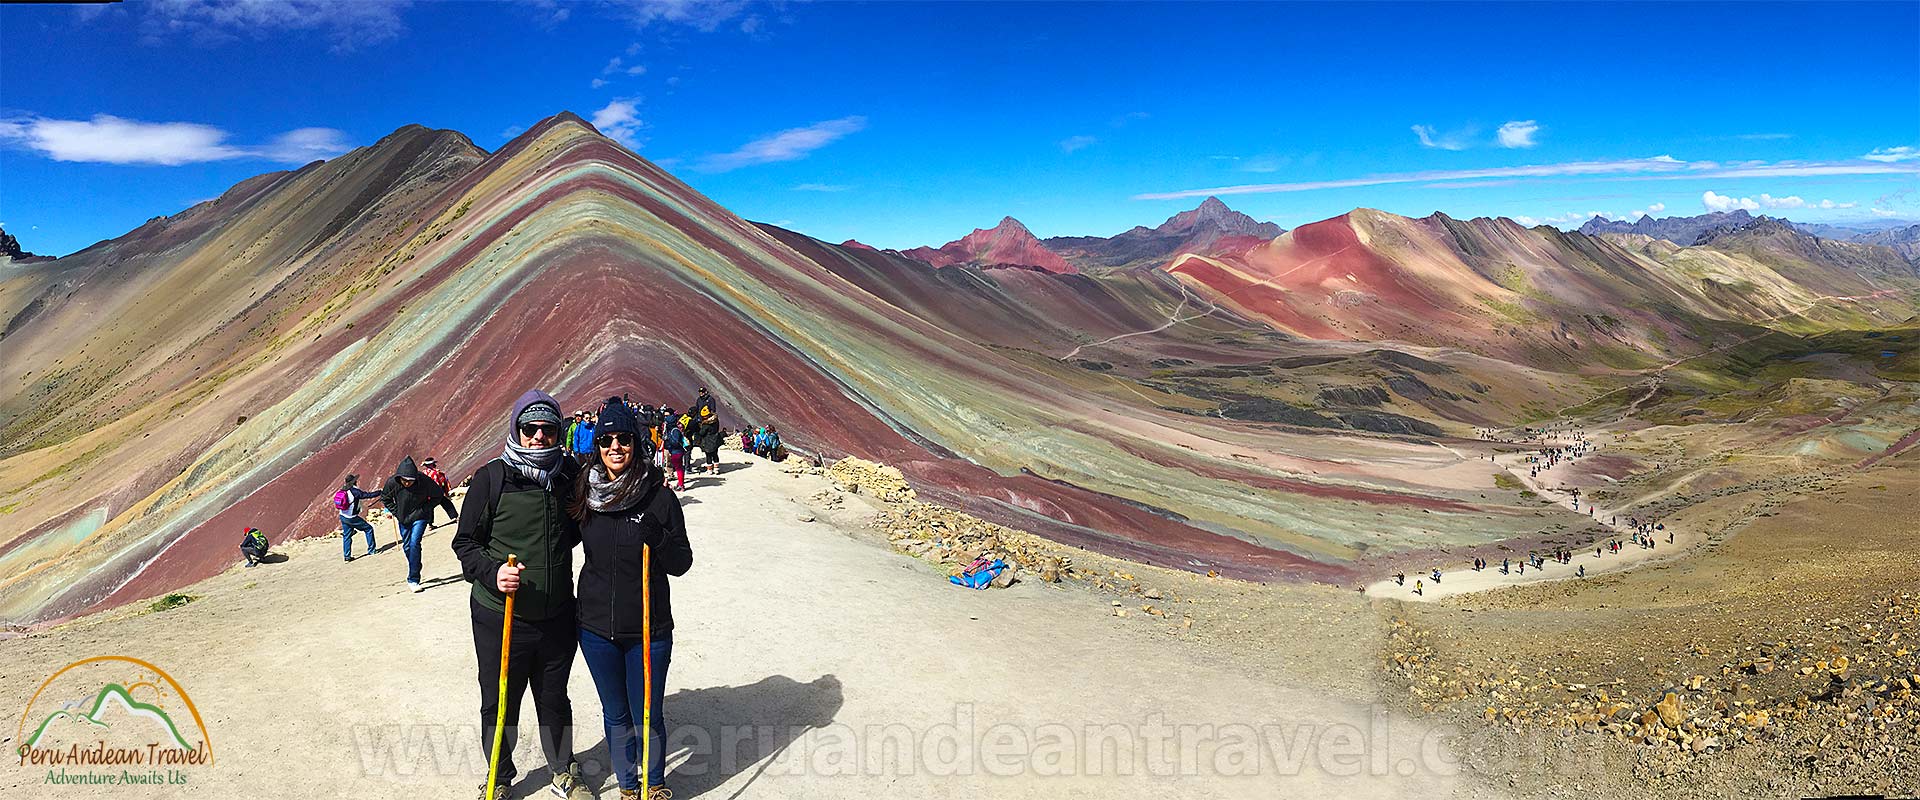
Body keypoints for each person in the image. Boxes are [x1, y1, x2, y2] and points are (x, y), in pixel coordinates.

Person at [450, 390, 592, 800]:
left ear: (559, 432)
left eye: (548, 429)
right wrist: (493, 573)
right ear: (516, 429)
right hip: (500, 614)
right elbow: (464, 543)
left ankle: (563, 771)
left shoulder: (569, 477)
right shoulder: (491, 478)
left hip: (557, 614)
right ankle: (499, 776)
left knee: (553, 698)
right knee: (499, 701)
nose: (538, 437)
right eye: (529, 429)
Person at [572, 400, 692, 800]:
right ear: (598, 445)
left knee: (648, 713)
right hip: (595, 630)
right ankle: (628, 786)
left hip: (649, 628)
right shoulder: (586, 495)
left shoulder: (659, 497)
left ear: (635, 443)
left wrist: (658, 537)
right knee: (616, 713)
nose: (615, 447)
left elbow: (682, 563)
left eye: (624, 438)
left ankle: (654, 785)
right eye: (606, 440)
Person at [382, 456, 458, 593]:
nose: (406, 484)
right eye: (404, 481)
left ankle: (413, 579)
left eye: (410, 481)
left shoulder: (424, 481)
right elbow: (385, 498)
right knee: (407, 546)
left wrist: (424, 509)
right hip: (403, 518)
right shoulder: (392, 482)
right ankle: (415, 563)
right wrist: (396, 512)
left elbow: (438, 495)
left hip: (420, 517)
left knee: (414, 543)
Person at [334, 474, 382, 562]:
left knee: (347, 535)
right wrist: (380, 492)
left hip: (343, 516)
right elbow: (367, 495)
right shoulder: (355, 491)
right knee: (368, 529)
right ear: (354, 482)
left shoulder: (343, 490)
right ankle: (372, 550)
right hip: (351, 517)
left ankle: (347, 556)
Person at [663, 419, 688, 491]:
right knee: (679, 468)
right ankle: (680, 483)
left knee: (679, 468)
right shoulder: (674, 430)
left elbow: (675, 442)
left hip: (676, 452)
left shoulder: (674, 430)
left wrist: (668, 442)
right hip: (677, 451)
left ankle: (681, 485)